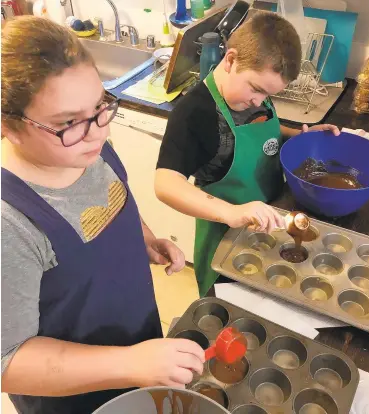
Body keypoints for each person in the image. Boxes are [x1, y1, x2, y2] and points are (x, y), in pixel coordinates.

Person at [1, 16, 205, 414]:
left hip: (138, 346)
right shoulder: (10, 221)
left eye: (100, 108)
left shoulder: (86, 147)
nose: (98, 132)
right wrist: (130, 364)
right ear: (9, 125)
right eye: (68, 122)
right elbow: (9, 361)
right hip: (77, 398)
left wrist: (143, 237)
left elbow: (113, 201)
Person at [155, 11, 340, 297]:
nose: (259, 101)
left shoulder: (251, 96)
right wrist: (233, 212)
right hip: (227, 242)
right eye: (256, 89)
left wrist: (301, 135)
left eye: (268, 95)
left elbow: (259, 133)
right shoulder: (194, 113)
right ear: (230, 60)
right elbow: (165, 184)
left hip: (270, 225)